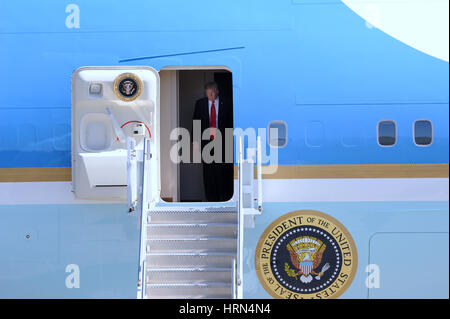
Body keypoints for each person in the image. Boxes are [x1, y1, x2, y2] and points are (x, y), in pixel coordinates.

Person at [192, 82, 233, 202]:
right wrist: (195, 143)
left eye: (214, 91)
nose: (212, 94)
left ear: (218, 91)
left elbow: (231, 123)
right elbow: (196, 123)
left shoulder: (227, 103)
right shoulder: (200, 104)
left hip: (224, 143)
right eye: (210, 92)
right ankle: (211, 200)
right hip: (206, 143)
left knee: (223, 171)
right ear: (206, 92)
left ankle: (224, 199)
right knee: (209, 173)